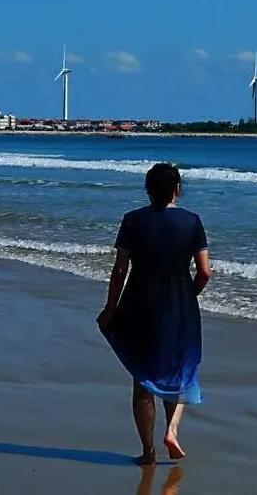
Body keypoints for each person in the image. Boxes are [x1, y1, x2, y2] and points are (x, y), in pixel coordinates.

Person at [97, 163, 212, 465]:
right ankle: (172, 431)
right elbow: (204, 272)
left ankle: (148, 451)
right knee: (180, 371)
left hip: (139, 305)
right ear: (177, 190)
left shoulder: (132, 221)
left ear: (148, 190)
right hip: (180, 308)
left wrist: (111, 308)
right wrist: (188, 296)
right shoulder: (192, 222)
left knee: (142, 378)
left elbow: (120, 269)